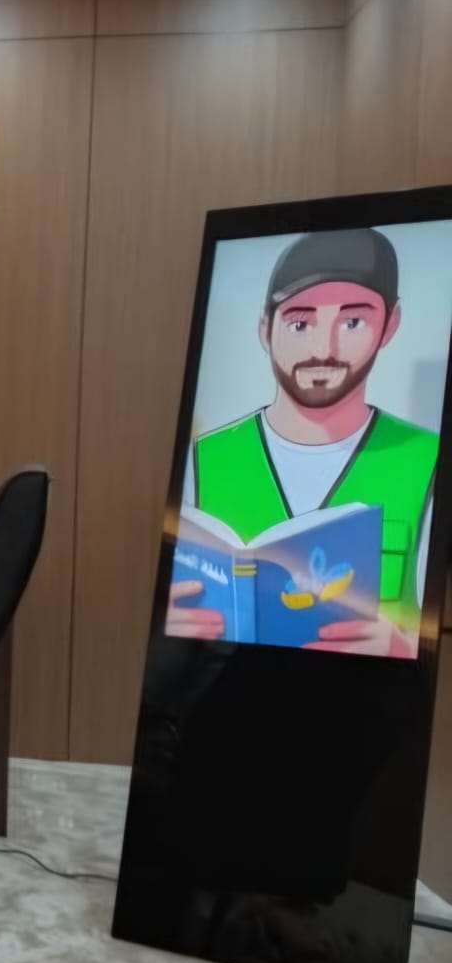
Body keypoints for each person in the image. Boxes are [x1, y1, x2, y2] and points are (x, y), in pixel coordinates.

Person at [169, 228, 438, 657]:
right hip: (226, 692)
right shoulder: (200, 459)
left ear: (390, 325)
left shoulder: (429, 462)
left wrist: (406, 648)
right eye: (299, 323)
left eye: (352, 322)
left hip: (371, 696)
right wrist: (170, 622)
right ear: (265, 329)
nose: (322, 349)